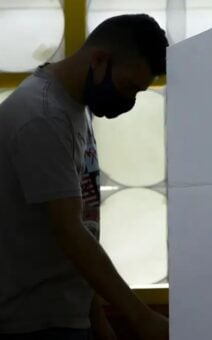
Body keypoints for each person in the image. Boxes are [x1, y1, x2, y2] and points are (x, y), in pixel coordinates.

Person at [0, 14, 169, 340]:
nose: (129, 101)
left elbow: (81, 231)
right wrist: (141, 317)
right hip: (33, 323)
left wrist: (97, 321)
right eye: (128, 87)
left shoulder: (73, 109)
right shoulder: (43, 117)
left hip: (64, 315)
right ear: (99, 60)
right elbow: (71, 233)